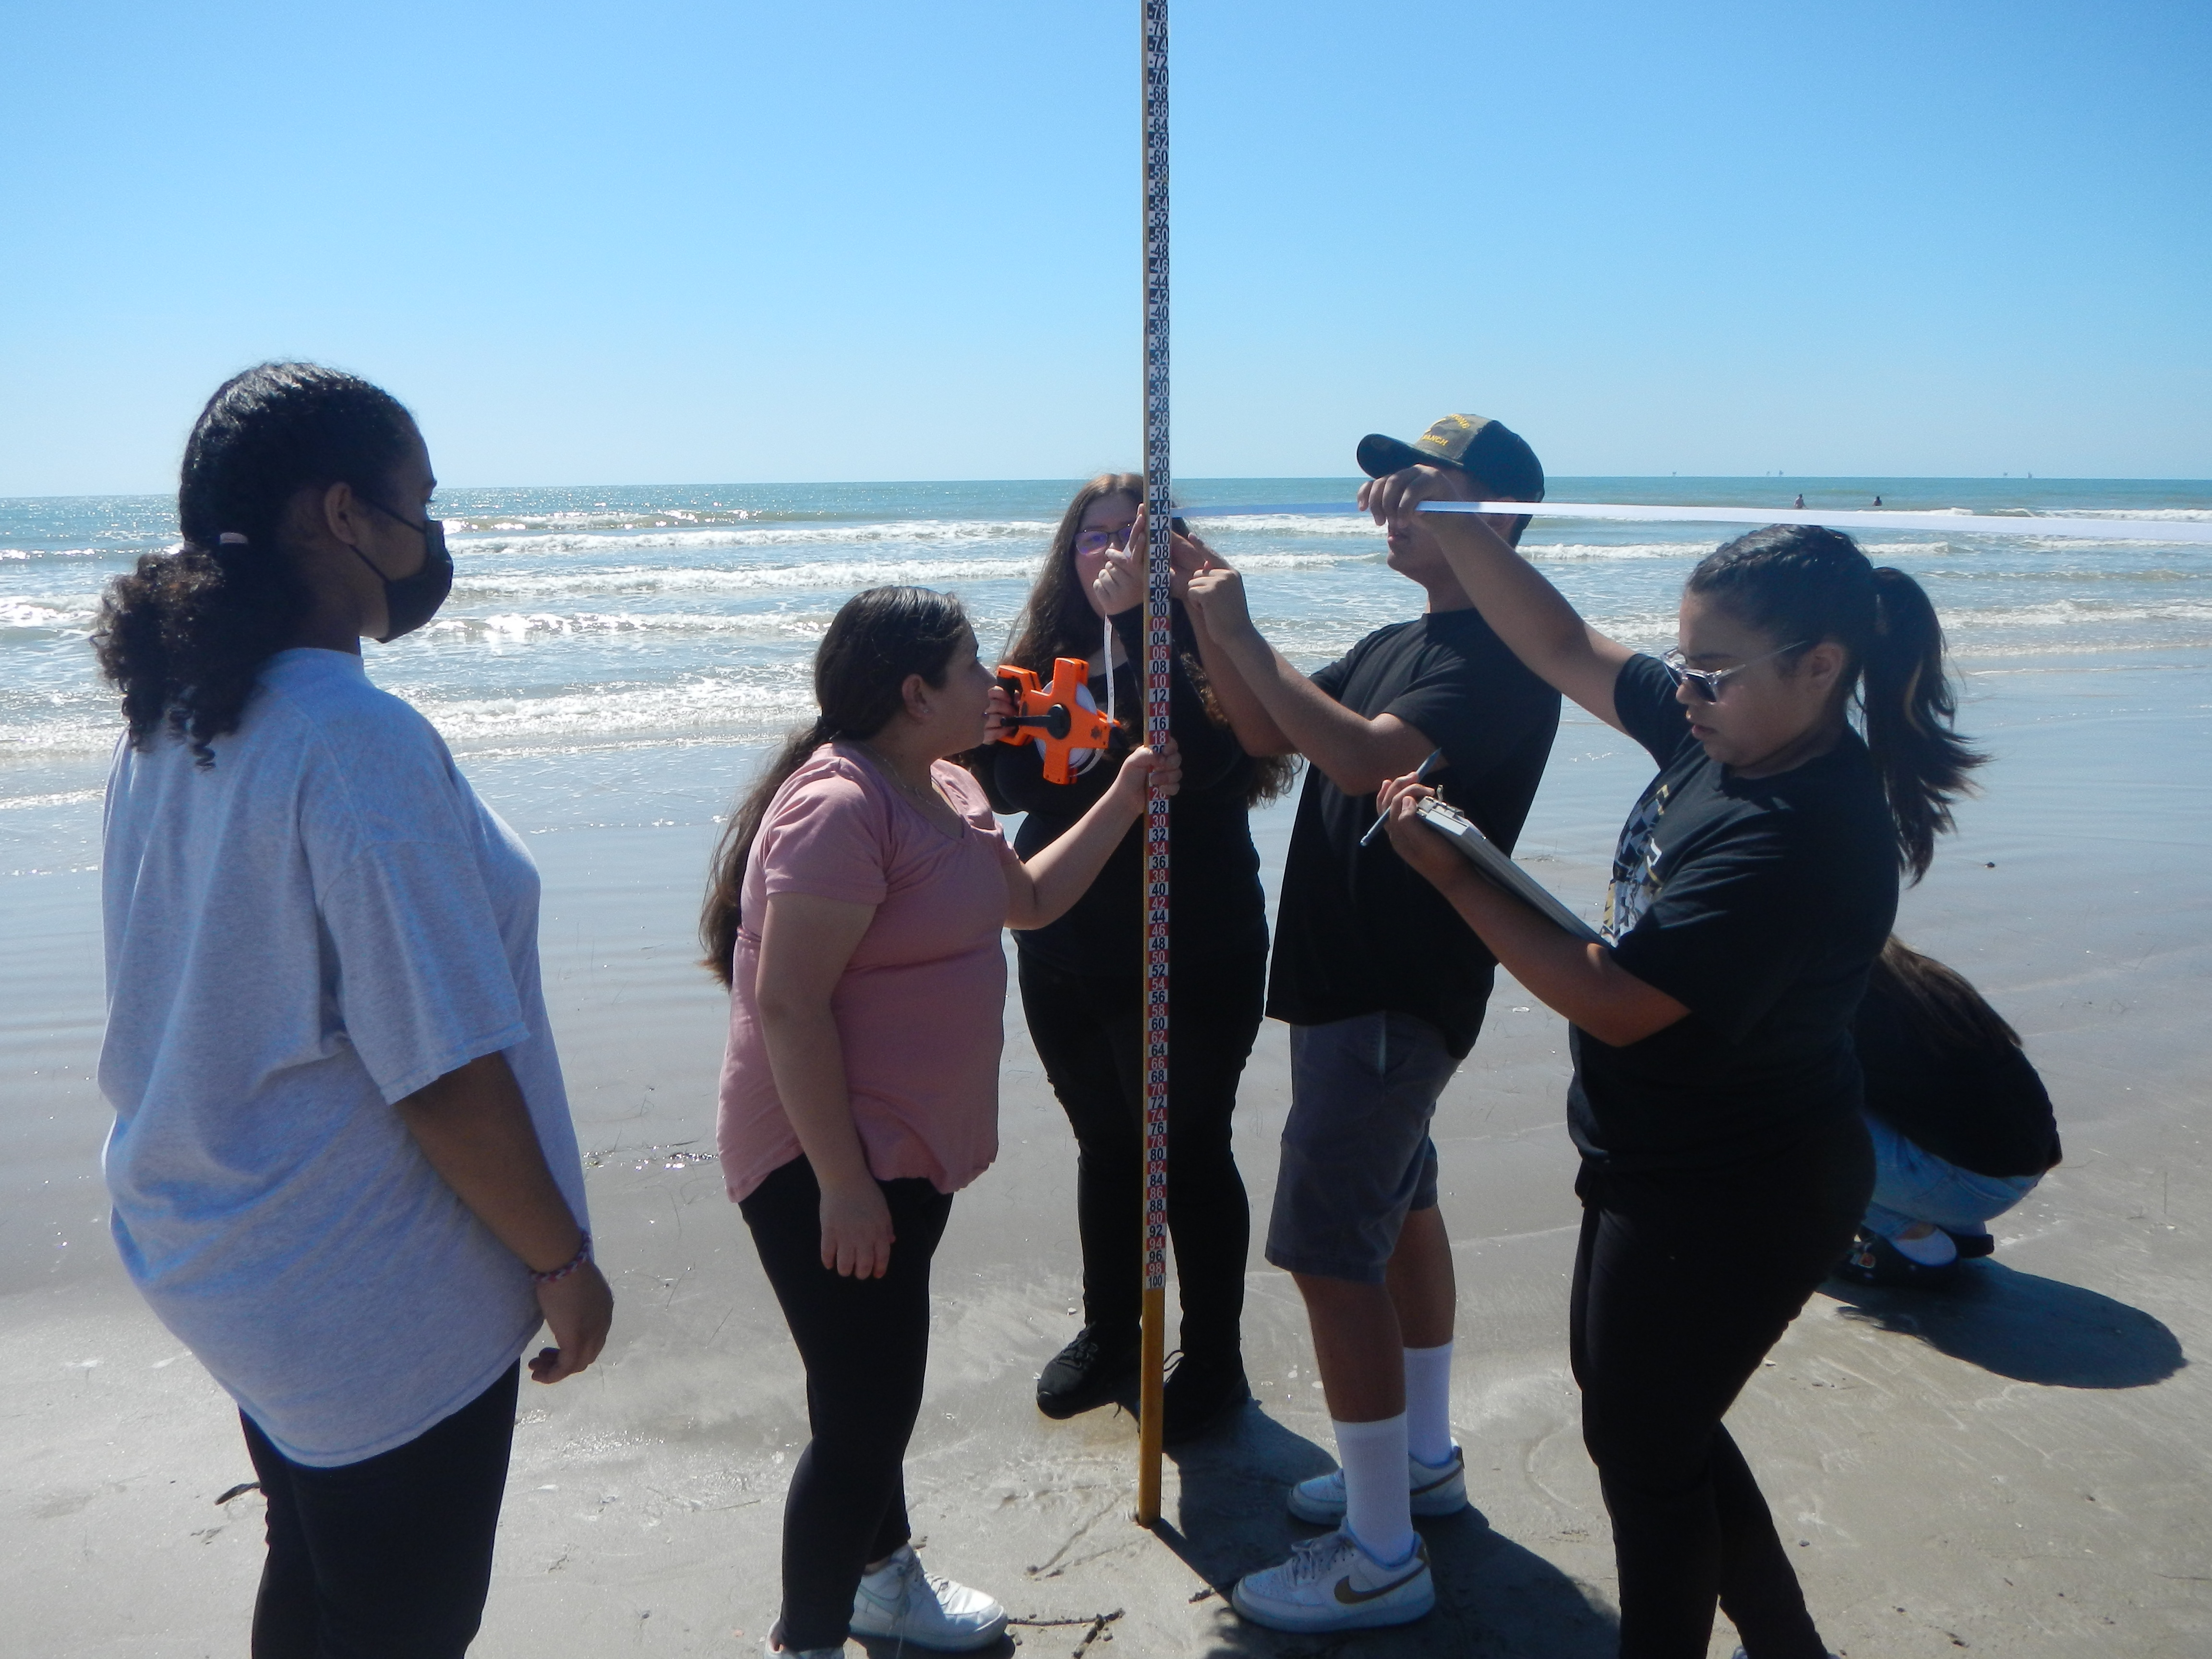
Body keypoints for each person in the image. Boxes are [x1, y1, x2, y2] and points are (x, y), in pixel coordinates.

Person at [1367, 462, 1985, 1658]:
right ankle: (1787, 1643)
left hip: (1742, 1185)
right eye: (1682, 660)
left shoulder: (1798, 829)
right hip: (1661, 1151)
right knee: (1654, 1423)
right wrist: (1453, 520)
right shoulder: (1729, 734)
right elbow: (1552, 637)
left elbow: (1611, 997)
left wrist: (1455, 871)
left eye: (1712, 670)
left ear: (1819, 669)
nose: (1685, 689)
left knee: (1645, 1452)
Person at [92, 363, 613, 1658]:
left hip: (231, 1251)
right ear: (341, 515)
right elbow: (438, 1070)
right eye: (418, 503)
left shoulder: (173, 719)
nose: (431, 536)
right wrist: (561, 1263)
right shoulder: (350, 739)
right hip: (366, 1294)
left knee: (317, 1564)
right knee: (400, 1621)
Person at [702, 586, 1178, 1659]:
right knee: (865, 1421)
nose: (994, 682)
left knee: (864, 1397)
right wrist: (842, 1184)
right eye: (971, 667)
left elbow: (1030, 903)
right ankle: (810, 1639)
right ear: (916, 693)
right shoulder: (840, 805)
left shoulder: (947, 782)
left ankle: (881, 1582)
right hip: (822, 1161)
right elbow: (788, 1004)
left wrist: (1127, 796)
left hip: (901, 1154)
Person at [1179, 414, 1563, 1633]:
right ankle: (1423, 1462)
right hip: (1354, 981)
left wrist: (1241, 627)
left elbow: (1355, 760)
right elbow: (1262, 733)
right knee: (1399, 1211)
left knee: (1326, 1248)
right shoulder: (1401, 635)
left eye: (1420, 483)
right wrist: (1199, 609)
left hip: (1399, 987)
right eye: (1383, 483)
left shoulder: (1499, 657)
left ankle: (1379, 1549)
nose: (1388, 499)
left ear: (1497, 516)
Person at [983, 474, 1291, 1442]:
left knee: (1189, 1148)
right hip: (1067, 941)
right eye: (1091, 536)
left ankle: (1216, 1356)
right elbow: (999, 787)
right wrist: (981, 731)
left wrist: (1147, 627)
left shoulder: (1202, 650)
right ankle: (1113, 1329)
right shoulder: (1040, 659)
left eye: (1131, 537)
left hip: (1191, 942)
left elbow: (1246, 751)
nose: (1107, 552)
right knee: (1106, 1144)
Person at [1834, 936, 2061, 1285]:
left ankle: (1920, 1248)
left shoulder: (1841, 999)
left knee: (1791, 1117)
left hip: (1966, 1184)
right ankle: (1952, 1228)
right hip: (2015, 1170)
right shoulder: (1907, 975)